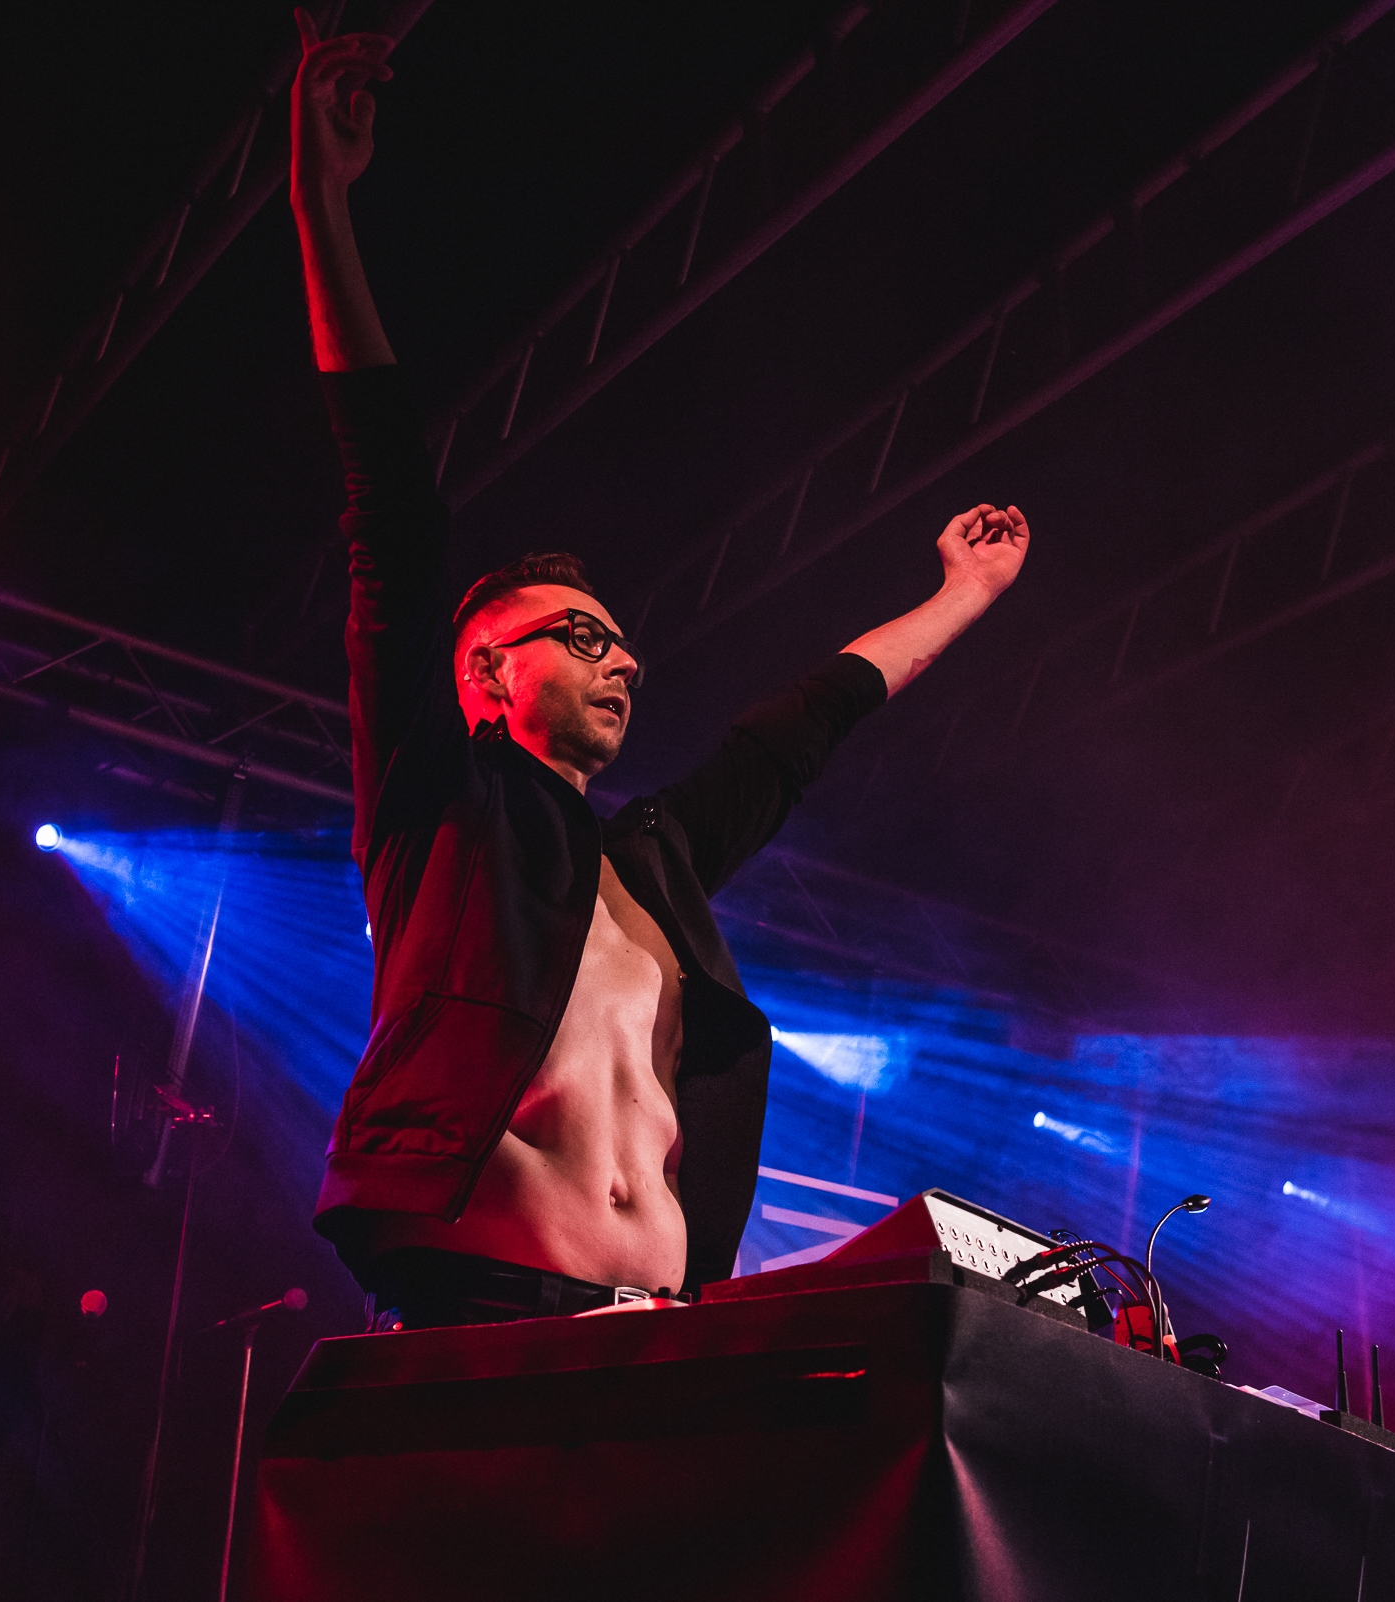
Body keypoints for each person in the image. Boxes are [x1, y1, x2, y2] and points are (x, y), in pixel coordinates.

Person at [290, 12, 1031, 1331]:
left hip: (650, 1320)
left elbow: (795, 733)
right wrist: (323, 204)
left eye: (623, 641)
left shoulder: (656, 861)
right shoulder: (440, 804)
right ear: (484, 671)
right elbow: (391, 509)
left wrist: (960, 597)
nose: (623, 656)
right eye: (580, 635)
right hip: (484, 1297)